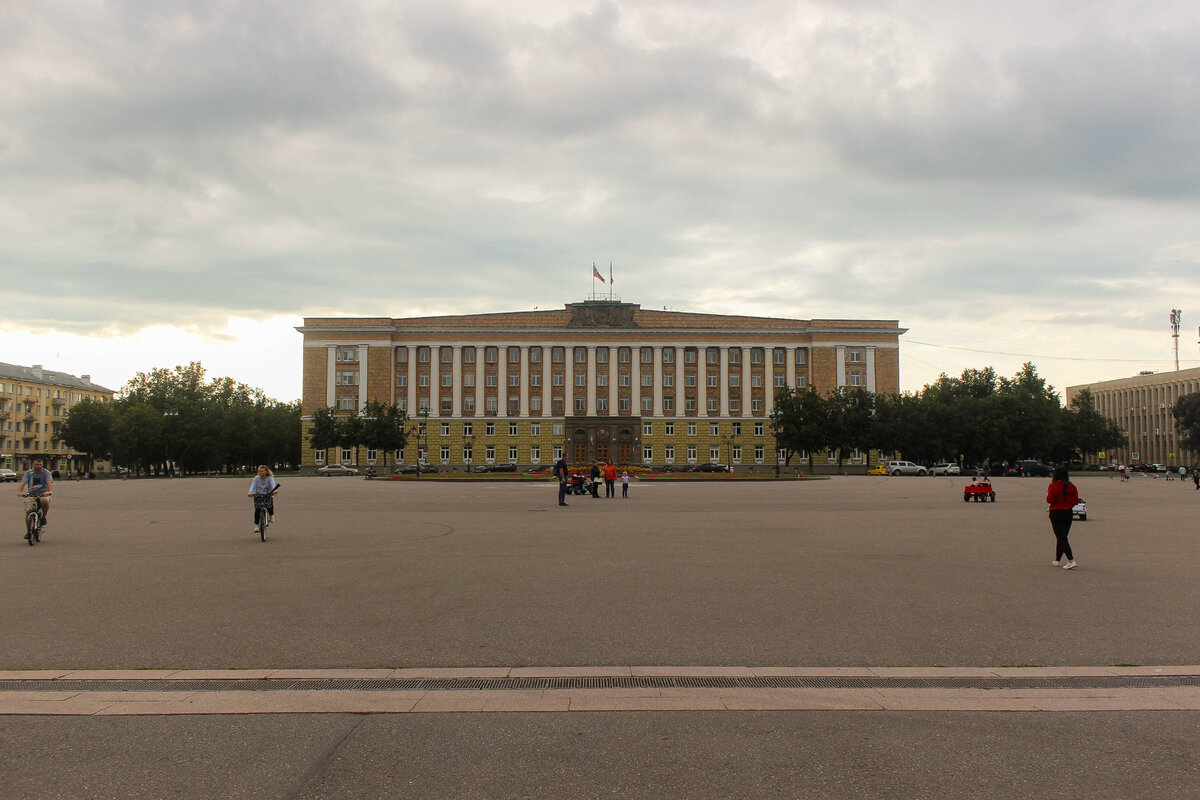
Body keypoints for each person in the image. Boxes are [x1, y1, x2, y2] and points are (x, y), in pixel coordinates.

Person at [1046, 466, 1079, 570]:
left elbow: (1050, 500)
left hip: (1056, 512)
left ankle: (1071, 560)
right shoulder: (1072, 486)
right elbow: (1075, 500)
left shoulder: (1053, 486)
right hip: (1068, 512)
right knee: (1063, 536)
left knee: (1061, 537)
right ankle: (1057, 559)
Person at [17, 458, 53, 536]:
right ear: (33, 465)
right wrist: (20, 492)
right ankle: (28, 531)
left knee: (45, 501)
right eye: (37, 464)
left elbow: (49, 483)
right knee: (28, 512)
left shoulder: (46, 472)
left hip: (43, 494)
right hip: (31, 494)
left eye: (40, 465)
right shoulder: (29, 473)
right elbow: (23, 484)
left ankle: (44, 517)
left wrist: (49, 491)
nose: (39, 466)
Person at [248, 465, 277, 533]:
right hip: (258, 495)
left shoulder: (270, 478)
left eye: (262, 471)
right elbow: (252, 486)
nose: (260, 473)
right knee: (257, 510)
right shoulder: (256, 478)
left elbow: (273, 485)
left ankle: (271, 515)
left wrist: (274, 491)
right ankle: (257, 526)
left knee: (269, 505)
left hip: (267, 495)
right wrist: (250, 492)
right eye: (259, 471)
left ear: (266, 472)